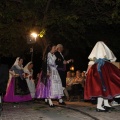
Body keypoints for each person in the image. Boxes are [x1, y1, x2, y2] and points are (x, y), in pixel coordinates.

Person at [84, 41, 120, 112]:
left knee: (104, 87)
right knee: (102, 88)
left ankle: (106, 104)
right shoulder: (102, 63)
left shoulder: (97, 61)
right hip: (101, 71)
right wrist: (87, 72)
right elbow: (91, 63)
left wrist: (87, 72)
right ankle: (99, 106)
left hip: (100, 70)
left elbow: (90, 64)